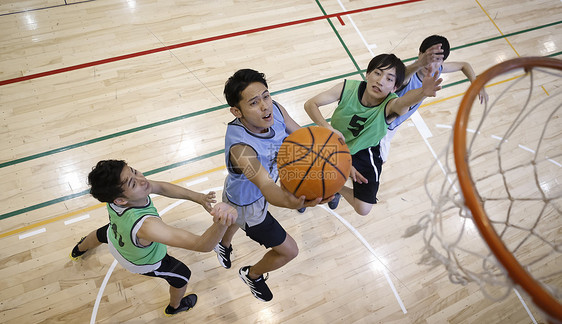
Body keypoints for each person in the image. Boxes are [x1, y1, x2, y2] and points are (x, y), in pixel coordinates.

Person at [212, 69, 331, 302]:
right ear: (237, 111)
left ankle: (222, 243)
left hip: (243, 192)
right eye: (254, 103)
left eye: (266, 96)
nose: (265, 106)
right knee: (290, 251)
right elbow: (266, 186)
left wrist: (328, 144)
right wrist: (296, 200)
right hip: (248, 204)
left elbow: (300, 135)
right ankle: (252, 274)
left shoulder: (274, 109)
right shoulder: (241, 150)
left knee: (232, 221)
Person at [69, 159, 238, 317]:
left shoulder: (114, 196)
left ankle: (78, 250)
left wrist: (198, 197)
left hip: (114, 236)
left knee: (101, 234)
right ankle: (174, 307)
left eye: (134, 171)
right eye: (133, 183)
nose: (142, 180)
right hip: (141, 261)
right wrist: (223, 222)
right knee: (183, 276)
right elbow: (202, 245)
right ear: (120, 200)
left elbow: (162, 188)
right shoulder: (147, 226)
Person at [304, 53, 442, 216]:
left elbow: (404, 102)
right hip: (335, 142)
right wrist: (326, 126)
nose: (380, 81)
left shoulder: (391, 105)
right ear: (368, 74)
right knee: (304, 168)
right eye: (377, 73)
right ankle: (307, 189)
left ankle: (337, 187)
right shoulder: (347, 88)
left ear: (394, 88)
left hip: (364, 150)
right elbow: (310, 104)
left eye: (389, 79)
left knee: (363, 208)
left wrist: (422, 93)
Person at [379, 35, 489, 162]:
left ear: (442, 62)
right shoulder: (407, 74)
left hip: (393, 126)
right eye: (428, 57)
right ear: (420, 54)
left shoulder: (438, 69)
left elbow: (464, 65)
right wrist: (419, 64)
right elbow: (402, 78)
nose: (430, 63)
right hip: (381, 124)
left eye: (436, 59)